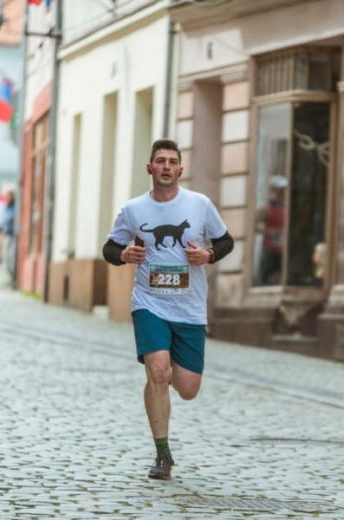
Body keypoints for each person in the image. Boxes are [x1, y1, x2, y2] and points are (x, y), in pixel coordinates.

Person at [102, 139, 234, 480]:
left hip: (189, 308)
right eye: (159, 161)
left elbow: (225, 241)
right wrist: (124, 255)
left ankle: (158, 377)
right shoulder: (133, 209)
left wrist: (208, 256)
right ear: (150, 168)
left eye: (171, 161)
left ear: (179, 169)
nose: (165, 166)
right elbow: (110, 247)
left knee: (187, 388)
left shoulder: (200, 204)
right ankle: (163, 455)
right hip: (149, 303)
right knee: (159, 371)